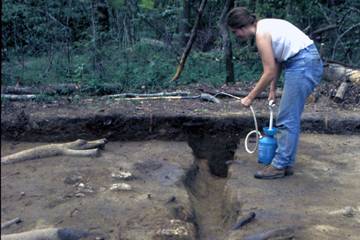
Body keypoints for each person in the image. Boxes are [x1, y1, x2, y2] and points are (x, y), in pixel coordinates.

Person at [226, 7, 323, 179]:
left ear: (241, 27)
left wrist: (249, 97)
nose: (237, 36)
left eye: (235, 32)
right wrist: (272, 90)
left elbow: (269, 71)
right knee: (289, 116)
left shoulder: (261, 36)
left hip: (303, 63)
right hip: (302, 61)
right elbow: (277, 62)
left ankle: (279, 166)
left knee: (286, 118)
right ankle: (286, 163)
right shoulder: (265, 27)